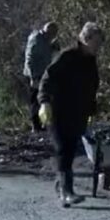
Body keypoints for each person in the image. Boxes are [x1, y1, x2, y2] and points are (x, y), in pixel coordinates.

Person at [38, 22, 103, 208]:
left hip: (77, 114)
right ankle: (67, 192)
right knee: (63, 150)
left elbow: (91, 87)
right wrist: (44, 102)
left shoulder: (90, 61)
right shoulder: (67, 56)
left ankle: (61, 184)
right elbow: (47, 78)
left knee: (70, 150)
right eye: (96, 42)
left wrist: (91, 110)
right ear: (86, 39)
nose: (98, 47)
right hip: (57, 111)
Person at [23, 22, 59, 132]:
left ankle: (42, 124)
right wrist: (33, 77)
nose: (53, 37)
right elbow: (30, 59)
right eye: (52, 34)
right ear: (48, 31)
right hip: (35, 75)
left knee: (43, 99)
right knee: (35, 101)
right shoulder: (36, 39)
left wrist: (52, 47)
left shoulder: (45, 40)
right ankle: (36, 126)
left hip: (43, 74)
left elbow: (45, 54)